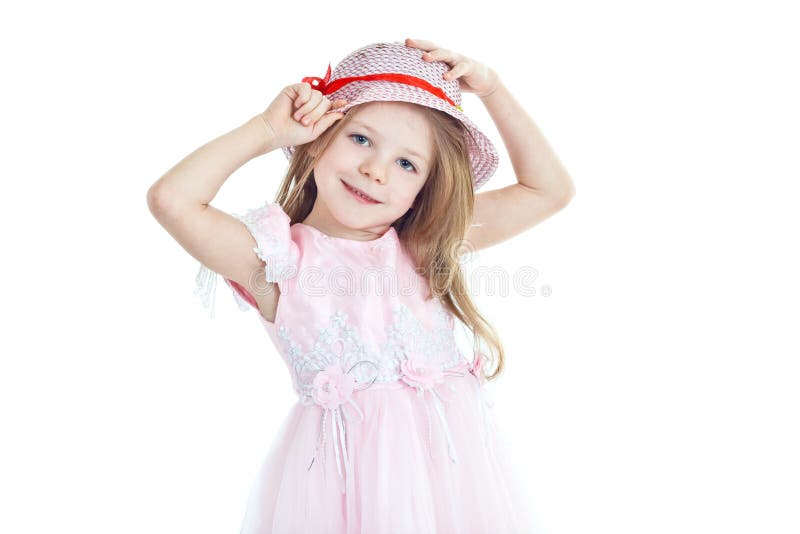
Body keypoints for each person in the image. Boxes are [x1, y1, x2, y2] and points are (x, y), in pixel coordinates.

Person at [147, 37, 575, 534]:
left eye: (406, 164)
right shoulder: (277, 260)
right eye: (361, 139)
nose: (375, 170)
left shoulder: (424, 243)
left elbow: (550, 190)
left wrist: (492, 89)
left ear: (424, 190)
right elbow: (171, 200)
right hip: (340, 494)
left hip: (450, 490)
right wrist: (265, 129)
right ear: (320, 136)